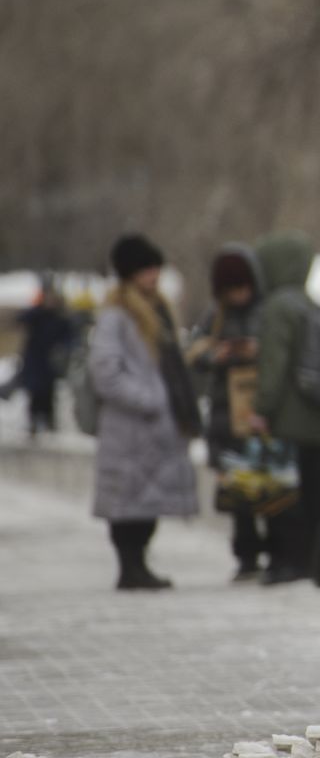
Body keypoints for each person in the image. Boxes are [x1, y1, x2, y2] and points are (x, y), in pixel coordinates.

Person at [88, 234, 202, 590]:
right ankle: (130, 567)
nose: (153, 276)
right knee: (128, 506)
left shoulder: (159, 310)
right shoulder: (116, 316)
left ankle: (138, 567)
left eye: (155, 268)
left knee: (145, 505)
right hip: (130, 428)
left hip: (153, 429)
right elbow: (105, 371)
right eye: (146, 270)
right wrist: (147, 399)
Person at [250, 231, 320, 585]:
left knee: (285, 494)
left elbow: (274, 365)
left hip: (286, 419)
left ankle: (289, 561)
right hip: (316, 417)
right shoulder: (310, 304)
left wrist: (261, 408)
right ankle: (319, 559)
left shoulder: (278, 307)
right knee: (315, 491)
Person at [186, 245, 269, 579]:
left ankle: (274, 550)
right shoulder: (215, 314)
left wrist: (254, 350)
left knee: (270, 486)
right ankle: (246, 555)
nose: (237, 295)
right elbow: (195, 351)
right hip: (225, 412)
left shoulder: (264, 311)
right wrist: (216, 355)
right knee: (237, 491)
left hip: (256, 408)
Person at [6, 282, 75, 437]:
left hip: (50, 361)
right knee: (34, 392)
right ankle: (33, 422)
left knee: (48, 393)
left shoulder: (60, 318)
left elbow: (69, 337)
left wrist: (63, 350)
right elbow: (20, 319)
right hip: (34, 359)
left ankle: (49, 421)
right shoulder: (37, 314)